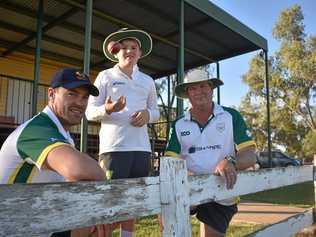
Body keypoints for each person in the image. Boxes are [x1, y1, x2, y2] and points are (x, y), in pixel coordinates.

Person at [0, 68, 108, 237]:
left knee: (92, 224)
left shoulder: (62, 133)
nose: (80, 103)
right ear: (51, 94)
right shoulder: (36, 129)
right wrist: (101, 201)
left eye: (85, 97)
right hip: (12, 226)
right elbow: (79, 169)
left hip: (36, 219)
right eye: (72, 94)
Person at [86, 28, 160, 237]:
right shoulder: (105, 76)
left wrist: (147, 115)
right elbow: (90, 112)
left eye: (133, 47)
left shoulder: (147, 80)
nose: (129, 51)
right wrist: (108, 109)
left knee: (133, 201)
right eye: (124, 47)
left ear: (139, 53)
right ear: (115, 52)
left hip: (142, 149)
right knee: (110, 201)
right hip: (114, 149)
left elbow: (155, 111)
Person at [165, 69, 257, 237]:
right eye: (193, 88)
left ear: (211, 88)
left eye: (202, 86)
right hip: (188, 188)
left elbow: (250, 154)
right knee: (167, 221)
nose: (199, 91)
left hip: (221, 190)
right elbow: (170, 161)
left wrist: (231, 161)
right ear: (187, 94)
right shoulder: (178, 124)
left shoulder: (231, 116)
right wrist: (183, 172)